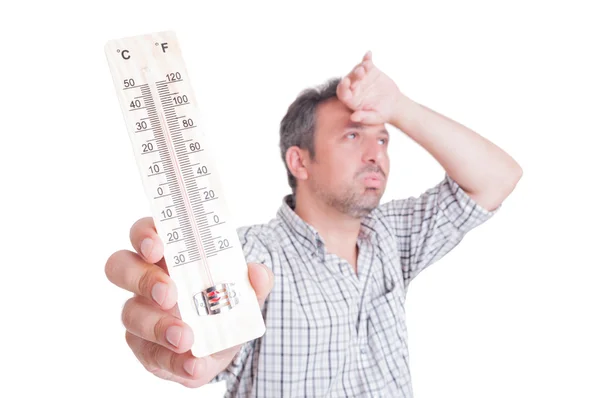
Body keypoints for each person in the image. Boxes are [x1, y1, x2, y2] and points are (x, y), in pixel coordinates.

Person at [105, 50, 522, 397]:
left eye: (383, 138)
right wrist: (195, 342)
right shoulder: (249, 259)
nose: (377, 152)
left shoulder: (393, 237)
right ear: (299, 161)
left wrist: (400, 108)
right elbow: (205, 353)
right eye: (354, 136)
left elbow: (497, 178)